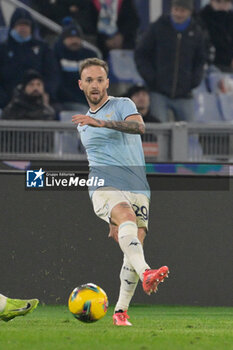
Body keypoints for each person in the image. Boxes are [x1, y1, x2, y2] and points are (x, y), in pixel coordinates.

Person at [72, 58, 169, 326]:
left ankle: (120, 311)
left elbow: (139, 127)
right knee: (125, 216)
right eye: (89, 80)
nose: (95, 84)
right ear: (81, 84)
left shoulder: (122, 105)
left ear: (107, 83)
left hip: (137, 185)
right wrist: (112, 211)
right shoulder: (82, 124)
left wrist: (105, 124)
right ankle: (148, 272)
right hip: (104, 182)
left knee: (133, 244)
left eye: (100, 79)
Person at [134, 0, 206, 123]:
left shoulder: (197, 32)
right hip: (159, 92)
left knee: (189, 135)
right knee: (160, 133)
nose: (178, 14)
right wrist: (151, 77)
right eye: (175, 9)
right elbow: (141, 53)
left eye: (182, 10)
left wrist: (194, 81)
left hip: (185, 93)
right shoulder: (158, 27)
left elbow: (200, 60)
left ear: (189, 12)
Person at [0, 7, 59, 109]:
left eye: (26, 25)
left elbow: (53, 74)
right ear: (13, 26)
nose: (23, 28)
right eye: (20, 25)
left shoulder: (43, 49)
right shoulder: (3, 49)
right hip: (7, 101)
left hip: (38, 100)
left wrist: (46, 92)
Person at [71, 0, 140, 59]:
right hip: (99, 46)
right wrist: (104, 40)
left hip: (124, 46)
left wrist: (121, 35)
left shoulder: (125, 2)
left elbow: (133, 20)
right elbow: (86, 23)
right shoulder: (90, 3)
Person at [54, 24, 97, 111]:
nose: (74, 41)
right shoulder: (56, 55)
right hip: (64, 101)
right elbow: (58, 83)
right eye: (70, 38)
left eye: (77, 38)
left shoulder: (90, 56)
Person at [198, 0, 233, 72]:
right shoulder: (201, 18)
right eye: (218, 1)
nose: (222, 6)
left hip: (229, 66)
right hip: (207, 67)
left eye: (226, 2)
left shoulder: (230, 18)